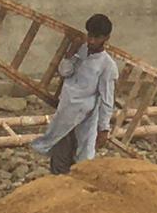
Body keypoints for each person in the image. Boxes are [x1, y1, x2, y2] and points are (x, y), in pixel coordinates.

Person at [31, 14, 118, 175]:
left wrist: (104, 128)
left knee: (82, 161)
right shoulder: (81, 51)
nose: (91, 41)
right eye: (90, 36)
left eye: (96, 37)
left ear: (106, 38)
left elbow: (107, 100)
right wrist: (71, 54)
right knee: (59, 158)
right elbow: (65, 71)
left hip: (84, 119)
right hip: (65, 113)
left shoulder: (107, 65)